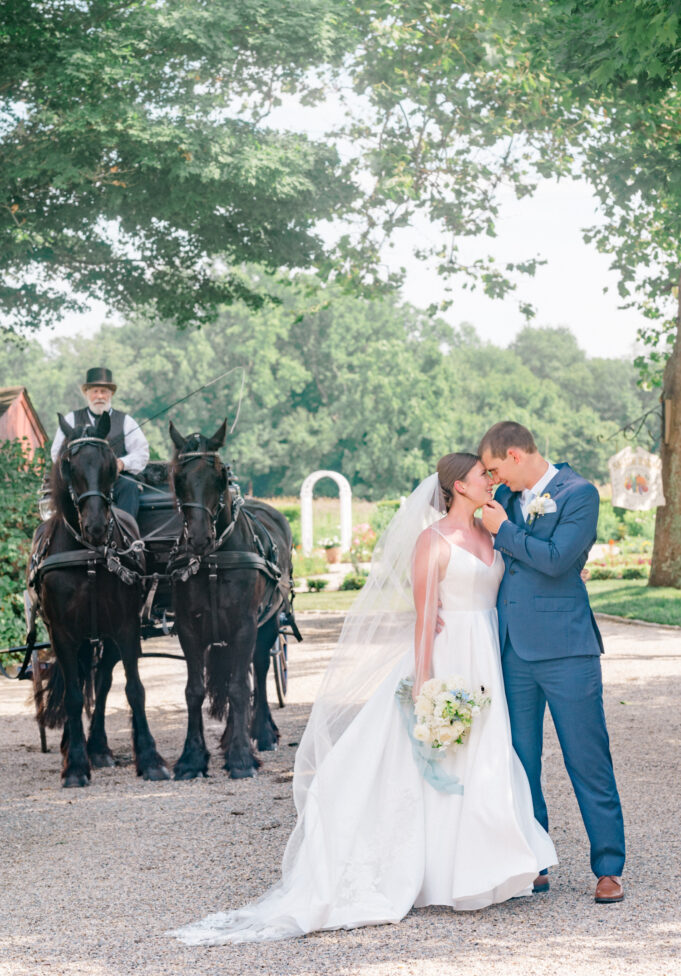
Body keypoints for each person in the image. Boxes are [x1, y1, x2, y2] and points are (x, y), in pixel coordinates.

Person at [168, 453, 556, 945]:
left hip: (487, 659)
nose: (492, 482)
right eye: (484, 476)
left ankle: (487, 865)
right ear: (459, 486)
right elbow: (423, 619)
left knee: (485, 756)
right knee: (438, 760)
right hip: (448, 656)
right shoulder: (432, 541)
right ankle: (435, 872)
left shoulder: (492, 533)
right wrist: (424, 684)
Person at [478, 421, 625, 904]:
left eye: (497, 468)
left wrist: (503, 532)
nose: (494, 479)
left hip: (566, 650)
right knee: (521, 762)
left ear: (517, 455)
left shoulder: (579, 492)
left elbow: (561, 559)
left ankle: (608, 866)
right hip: (512, 651)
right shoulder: (509, 501)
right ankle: (533, 860)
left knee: (587, 758)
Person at [51, 367, 149, 519]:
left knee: (130, 486)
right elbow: (57, 452)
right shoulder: (71, 419)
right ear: (86, 393)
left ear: (111, 394)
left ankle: (126, 535)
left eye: (104, 392)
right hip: (82, 482)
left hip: (114, 481)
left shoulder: (126, 421)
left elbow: (141, 453)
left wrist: (122, 463)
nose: (100, 396)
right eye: (95, 391)